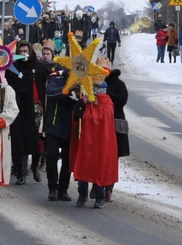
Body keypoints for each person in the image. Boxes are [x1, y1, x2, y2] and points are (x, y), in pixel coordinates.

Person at [71, 72, 118, 209]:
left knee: (99, 167)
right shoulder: (87, 102)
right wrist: (81, 104)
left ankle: (99, 196)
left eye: (98, 90)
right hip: (86, 140)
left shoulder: (107, 104)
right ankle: (82, 193)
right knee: (84, 166)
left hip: (101, 142)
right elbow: (78, 117)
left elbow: (104, 124)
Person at [7, 40, 49, 185]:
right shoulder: (14, 68)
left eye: (26, 51)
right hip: (21, 109)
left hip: (37, 109)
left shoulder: (39, 67)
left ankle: (35, 167)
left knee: (38, 140)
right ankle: (22, 172)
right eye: (21, 51)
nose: (24, 54)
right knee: (21, 140)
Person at [43, 68, 75, 201]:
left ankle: (63, 189)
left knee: (68, 159)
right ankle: (52, 188)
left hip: (70, 127)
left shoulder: (81, 81)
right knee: (52, 156)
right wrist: (67, 88)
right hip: (54, 125)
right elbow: (49, 93)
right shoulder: (55, 78)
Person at [104, 68, 129, 202]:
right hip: (101, 122)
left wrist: (106, 96)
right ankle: (99, 186)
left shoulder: (119, 84)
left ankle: (108, 188)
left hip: (115, 124)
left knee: (113, 158)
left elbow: (122, 100)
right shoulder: (97, 83)